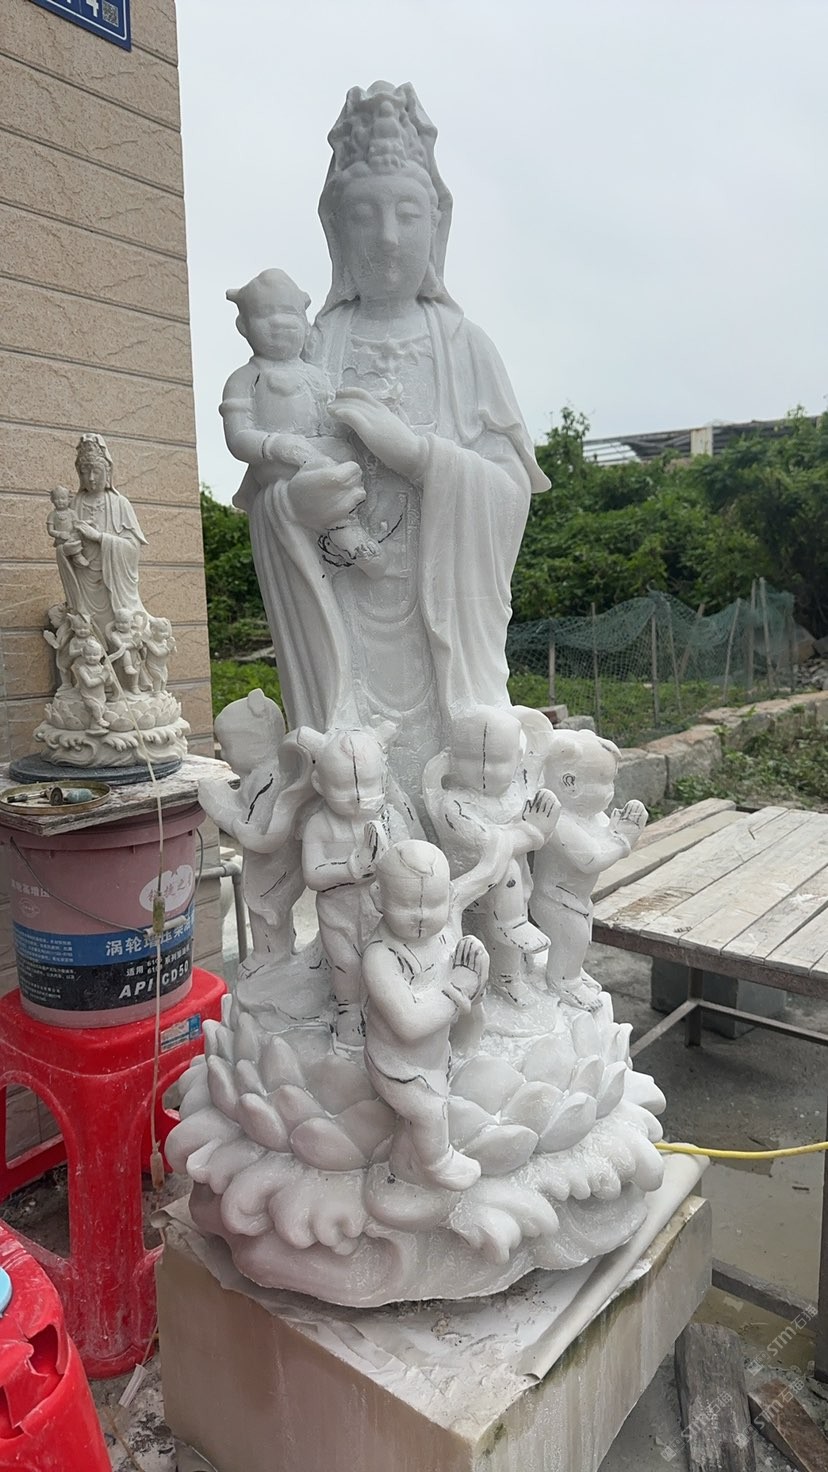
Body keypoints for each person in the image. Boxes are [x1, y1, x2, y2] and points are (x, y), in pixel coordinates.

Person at [232, 83, 549, 809]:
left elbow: (510, 493)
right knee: (353, 785)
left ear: (435, 226)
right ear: (335, 230)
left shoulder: (466, 347)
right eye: (363, 215)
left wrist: (420, 456)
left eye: (407, 214)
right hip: (342, 613)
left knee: (454, 780)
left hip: (445, 619)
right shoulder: (311, 347)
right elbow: (262, 488)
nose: (386, 237)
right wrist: (292, 506)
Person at [221, 268, 379, 568]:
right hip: (275, 463)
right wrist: (276, 445)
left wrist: (358, 414)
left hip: (318, 452)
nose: (280, 322)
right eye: (266, 314)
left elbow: (328, 419)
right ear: (243, 325)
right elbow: (238, 437)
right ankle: (341, 527)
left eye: (289, 313)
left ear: (305, 323)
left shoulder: (315, 376)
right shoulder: (245, 378)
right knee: (319, 470)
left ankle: (348, 521)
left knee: (342, 455)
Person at [362, 840, 488, 1190]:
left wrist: (476, 974)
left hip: (434, 1055)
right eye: (405, 904)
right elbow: (410, 1023)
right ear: (378, 898)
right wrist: (459, 987)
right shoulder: (382, 956)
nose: (420, 915)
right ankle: (438, 1163)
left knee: (426, 1112)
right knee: (429, 1111)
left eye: (433, 903)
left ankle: (406, 1166)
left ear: (447, 896)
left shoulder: (444, 936)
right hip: (396, 1063)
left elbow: (466, 987)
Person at [423, 707, 560, 1005]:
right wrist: (534, 833)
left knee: (505, 938)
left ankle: (507, 979)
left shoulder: (517, 793)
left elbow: (527, 825)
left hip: (513, 890)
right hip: (469, 883)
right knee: (505, 874)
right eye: (471, 758)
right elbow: (489, 843)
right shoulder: (454, 804)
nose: (485, 769)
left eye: (498, 760)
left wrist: (540, 827)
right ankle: (503, 937)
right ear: (451, 759)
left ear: (517, 758)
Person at [299, 725, 410, 1046]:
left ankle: (384, 1005)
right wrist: (350, 868)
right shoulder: (320, 824)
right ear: (319, 783)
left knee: (383, 958)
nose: (359, 796)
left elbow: (405, 856)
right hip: (338, 913)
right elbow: (313, 874)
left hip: (380, 911)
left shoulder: (390, 818)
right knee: (346, 962)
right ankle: (348, 1008)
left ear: (384, 779)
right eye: (343, 786)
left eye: (369, 784)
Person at [530, 730, 648, 1010]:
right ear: (569, 782)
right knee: (572, 937)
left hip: (577, 898)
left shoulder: (592, 815)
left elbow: (604, 836)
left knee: (578, 940)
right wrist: (622, 841)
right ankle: (564, 981)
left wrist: (619, 830)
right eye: (604, 781)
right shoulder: (559, 821)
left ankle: (572, 971)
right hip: (553, 899)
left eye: (612, 780)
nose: (611, 790)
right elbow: (590, 859)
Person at [54, 434, 147, 646]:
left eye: (96, 471)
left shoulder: (120, 504)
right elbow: (61, 542)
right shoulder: (74, 504)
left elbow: (133, 548)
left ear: (108, 472)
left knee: (118, 635)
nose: (91, 478)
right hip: (83, 581)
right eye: (84, 472)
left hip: (112, 584)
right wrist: (66, 551)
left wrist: (100, 538)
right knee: (88, 636)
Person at [46, 487, 90, 568]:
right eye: (57, 499)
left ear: (68, 499)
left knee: (78, 539)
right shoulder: (52, 515)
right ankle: (77, 555)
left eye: (63, 498)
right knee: (68, 543)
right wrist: (59, 534)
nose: (60, 501)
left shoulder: (72, 513)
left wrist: (86, 523)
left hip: (72, 535)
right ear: (52, 500)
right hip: (61, 539)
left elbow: (76, 524)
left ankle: (78, 555)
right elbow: (50, 530)